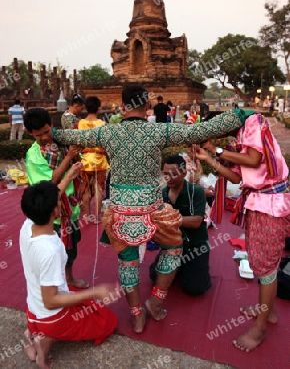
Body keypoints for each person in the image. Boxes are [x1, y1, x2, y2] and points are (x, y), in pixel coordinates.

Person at [52, 83, 250, 333]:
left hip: (120, 213)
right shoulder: (159, 132)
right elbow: (202, 130)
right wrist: (242, 115)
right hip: (153, 211)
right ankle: (155, 302)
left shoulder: (105, 133)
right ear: (147, 107)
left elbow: (68, 136)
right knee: (174, 248)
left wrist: (49, 133)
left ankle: (136, 315)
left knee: (127, 263)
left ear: (122, 107)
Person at [195, 112, 290, 352]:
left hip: (271, 204)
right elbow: (238, 176)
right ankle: (267, 311)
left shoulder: (252, 121)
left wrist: (216, 151)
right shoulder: (238, 139)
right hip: (261, 203)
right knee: (263, 262)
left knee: (266, 266)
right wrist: (209, 157)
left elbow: (255, 159)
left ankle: (259, 328)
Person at [19, 166, 117, 369]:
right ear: (56, 211)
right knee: (106, 322)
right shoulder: (50, 249)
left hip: (32, 308)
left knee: (84, 303)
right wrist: (95, 291)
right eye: (58, 202)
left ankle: (31, 332)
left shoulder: (28, 225)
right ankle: (43, 343)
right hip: (51, 317)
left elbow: (51, 196)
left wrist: (69, 177)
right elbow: (51, 300)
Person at [24, 108, 88, 289]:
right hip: (52, 212)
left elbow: (78, 161)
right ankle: (55, 285)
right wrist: (68, 157)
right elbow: (50, 183)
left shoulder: (61, 142)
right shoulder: (34, 155)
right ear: (30, 133)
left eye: (47, 131)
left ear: (52, 125)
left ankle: (68, 278)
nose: (45, 137)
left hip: (71, 208)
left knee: (70, 248)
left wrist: (75, 152)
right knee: (55, 251)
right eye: (39, 135)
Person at [149, 154, 211, 295]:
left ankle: (188, 266)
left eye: (173, 174)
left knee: (195, 288)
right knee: (153, 276)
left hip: (195, 246)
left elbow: (196, 222)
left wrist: (170, 219)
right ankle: (179, 265)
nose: (168, 178)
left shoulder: (196, 191)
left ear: (184, 173)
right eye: (165, 174)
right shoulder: (162, 194)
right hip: (172, 245)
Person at [77, 96, 110, 223]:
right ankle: (96, 217)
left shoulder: (79, 124)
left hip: (85, 160)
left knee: (85, 188)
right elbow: (106, 145)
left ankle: (87, 214)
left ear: (85, 107)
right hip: (99, 160)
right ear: (99, 108)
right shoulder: (102, 124)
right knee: (99, 189)